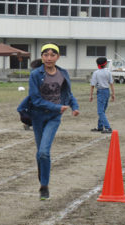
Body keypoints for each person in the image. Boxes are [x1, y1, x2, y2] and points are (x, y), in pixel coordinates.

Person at [28, 43, 79, 200]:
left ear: (57, 57)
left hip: (53, 117)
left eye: (52, 55)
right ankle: (42, 172)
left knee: (44, 151)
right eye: (46, 55)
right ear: (42, 57)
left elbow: (68, 94)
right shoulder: (36, 74)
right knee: (40, 153)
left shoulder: (63, 73)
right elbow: (35, 99)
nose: (49, 58)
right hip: (37, 116)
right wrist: (56, 107)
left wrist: (74, 106)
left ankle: (44, 186)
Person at [90, 57, 115, 133]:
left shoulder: (96, 73)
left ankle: (108, 127)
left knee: (100, 112)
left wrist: (91, 95)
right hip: (107, 91)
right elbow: (111, 84)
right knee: (102, 110)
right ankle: (100, 127)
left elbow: (92, 85)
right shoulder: (108, 72)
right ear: (105, 64)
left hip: (100, 92)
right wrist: (113, 94)